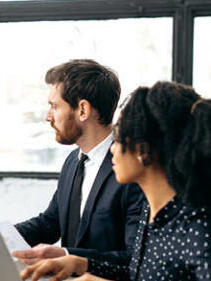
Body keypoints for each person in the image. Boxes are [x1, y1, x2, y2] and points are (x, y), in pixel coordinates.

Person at [20, 82, 211, 281]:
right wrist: (80, 264)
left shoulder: (198, 226)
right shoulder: (152, 212)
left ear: (142, 150)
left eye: (118, 139)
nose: (112, 148)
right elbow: (139, 275)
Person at [13, 60, 145, 265]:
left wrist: (68, 256)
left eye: (54, 107)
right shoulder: (74, 161)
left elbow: (134, 259)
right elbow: (50, 224)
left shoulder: (130, 170)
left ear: (82, 110)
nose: (48, 117)